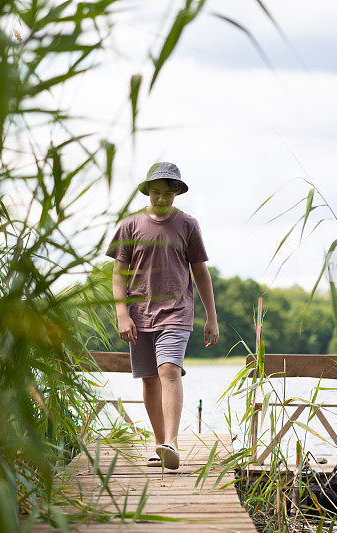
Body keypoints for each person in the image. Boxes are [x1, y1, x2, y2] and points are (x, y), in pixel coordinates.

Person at [105, 162, 219, 469]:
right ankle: (161, 445)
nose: (161, 198)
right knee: (149, 379)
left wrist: (211, 317)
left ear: (177, 193)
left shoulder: (188, 225)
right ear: (148, 192)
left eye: (168, 193)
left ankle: (173, 442)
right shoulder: (130, 226)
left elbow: (200, 272)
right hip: (138, 315)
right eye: (156, 192)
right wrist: (122, 315)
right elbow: (118, 274)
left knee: (169, 370)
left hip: (176, 311)